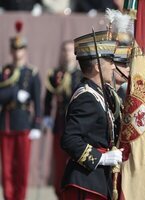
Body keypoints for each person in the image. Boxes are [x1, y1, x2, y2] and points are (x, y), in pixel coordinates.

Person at [60, 30, 123, 200]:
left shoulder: (101, 93)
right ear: (97, 66)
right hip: (86, 183)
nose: (112, 66)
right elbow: (70, 139)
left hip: (97, 180)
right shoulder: (87, 97)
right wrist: (101, 158)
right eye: (109, 61)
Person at [0, 21, 41, 200]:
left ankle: (20, 197)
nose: (17, 53)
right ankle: (9, 197)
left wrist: (37, 125)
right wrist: (15, 93)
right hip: (6, 122)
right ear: (11, 51)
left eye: (21, 49)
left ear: (25, 50)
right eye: (15, 49)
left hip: (24, 122)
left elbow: (37, 101)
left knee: (22, 168)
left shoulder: (32, 73)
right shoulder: (5, 72)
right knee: (7, 168)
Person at [43, 40, 81, 199]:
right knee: (59, 165)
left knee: (75, 163)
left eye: (71, 50)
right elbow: (48, 98)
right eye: (65, 50)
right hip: (59, 125)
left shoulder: (81, 74)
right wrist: (46, 116)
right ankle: (60, 194)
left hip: (77, 127)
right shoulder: (55, 74)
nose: (67, 54)